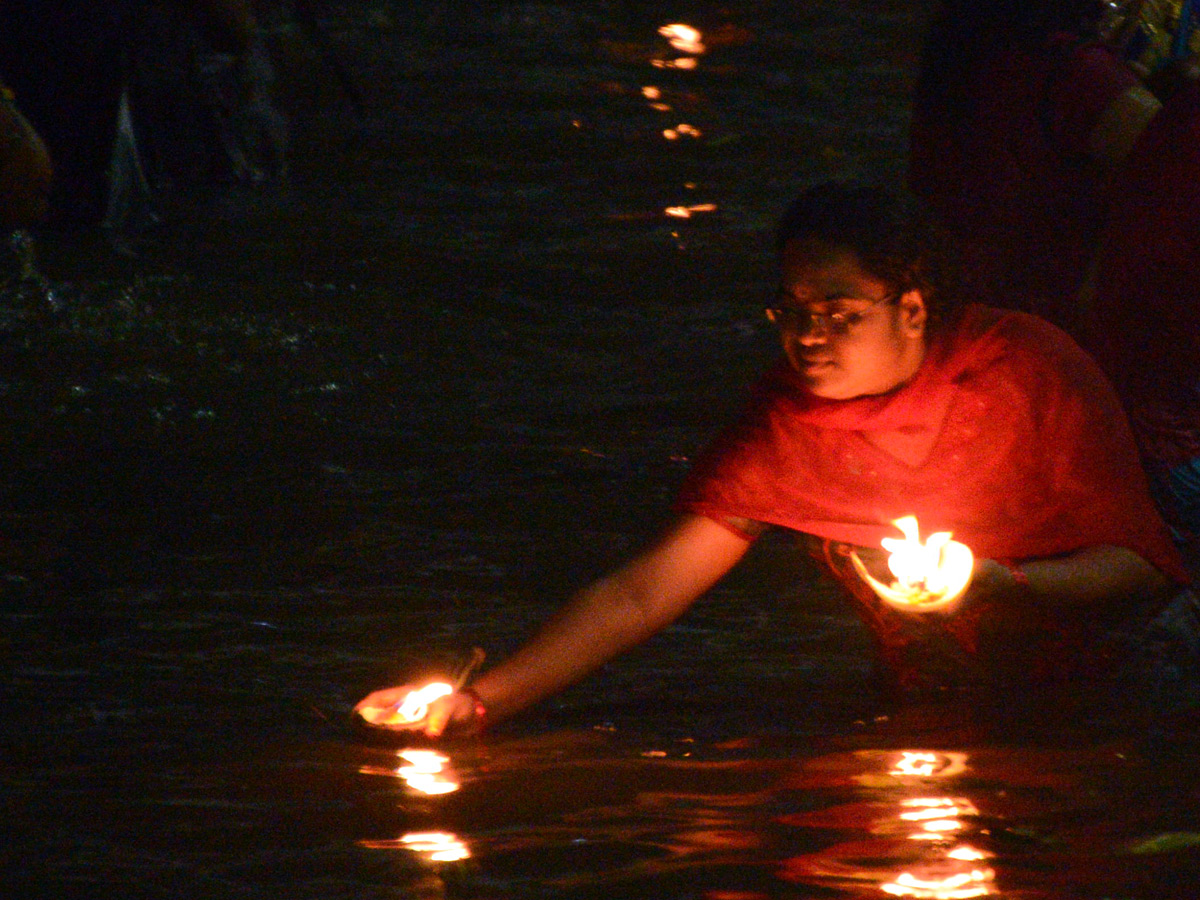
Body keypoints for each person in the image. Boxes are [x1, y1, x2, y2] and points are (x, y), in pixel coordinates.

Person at [355, 182, 1194, 737]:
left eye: (838, 310)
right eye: (791, 309)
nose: (808, 336)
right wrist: (480, 703)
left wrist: (999, 587)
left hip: (1115, 710)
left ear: (911, 307)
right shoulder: (787, 420)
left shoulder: (1026, 372)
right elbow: (644, 592)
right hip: (936, 710)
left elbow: (1144, 571)